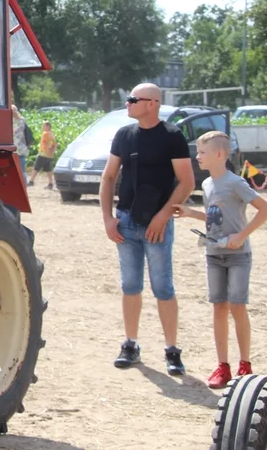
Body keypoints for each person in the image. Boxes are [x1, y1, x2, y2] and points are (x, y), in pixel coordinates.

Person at [100, 83, 195, 374]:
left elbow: (187, 182)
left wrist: (163, 216)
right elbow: (108, 178)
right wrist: (107, 218)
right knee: (130, 286)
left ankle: (171, 350)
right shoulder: (124, 135)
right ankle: (130, 344)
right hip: (126, 221)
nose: (127, 103)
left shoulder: (172, 136)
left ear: (152, 103)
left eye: (132, 99)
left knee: (163, 288)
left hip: (157, 224)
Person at [173, 131, 267, 388]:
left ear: (219, 154)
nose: (198, 156)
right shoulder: (206, 185)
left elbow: (264, 210)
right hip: (213, 255)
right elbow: (214, 218)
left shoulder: (236, 182)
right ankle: (222, 366)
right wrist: (192, 213)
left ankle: (245, 364)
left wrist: (242, 235)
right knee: (218, 307)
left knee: (237, 306)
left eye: (202, 152)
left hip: (238, 256)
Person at [28, 121, 57, 189]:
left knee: (36, 168)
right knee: (48, 169)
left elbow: (45, 144)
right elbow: (55, 144)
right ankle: (50, 183)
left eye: (44, 126)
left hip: (43, 154)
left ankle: (31, 181)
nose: (42, 127)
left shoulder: (45, 134)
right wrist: (51, 152)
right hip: (49, 155)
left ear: (48, 126)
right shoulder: (52, 134)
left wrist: (46, 151)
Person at [12, 105, 30, 183]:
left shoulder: (10, 121)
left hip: (13, 149)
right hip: (22, 149)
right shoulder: (22, 120)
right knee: (22, 171)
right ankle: (24, 187)